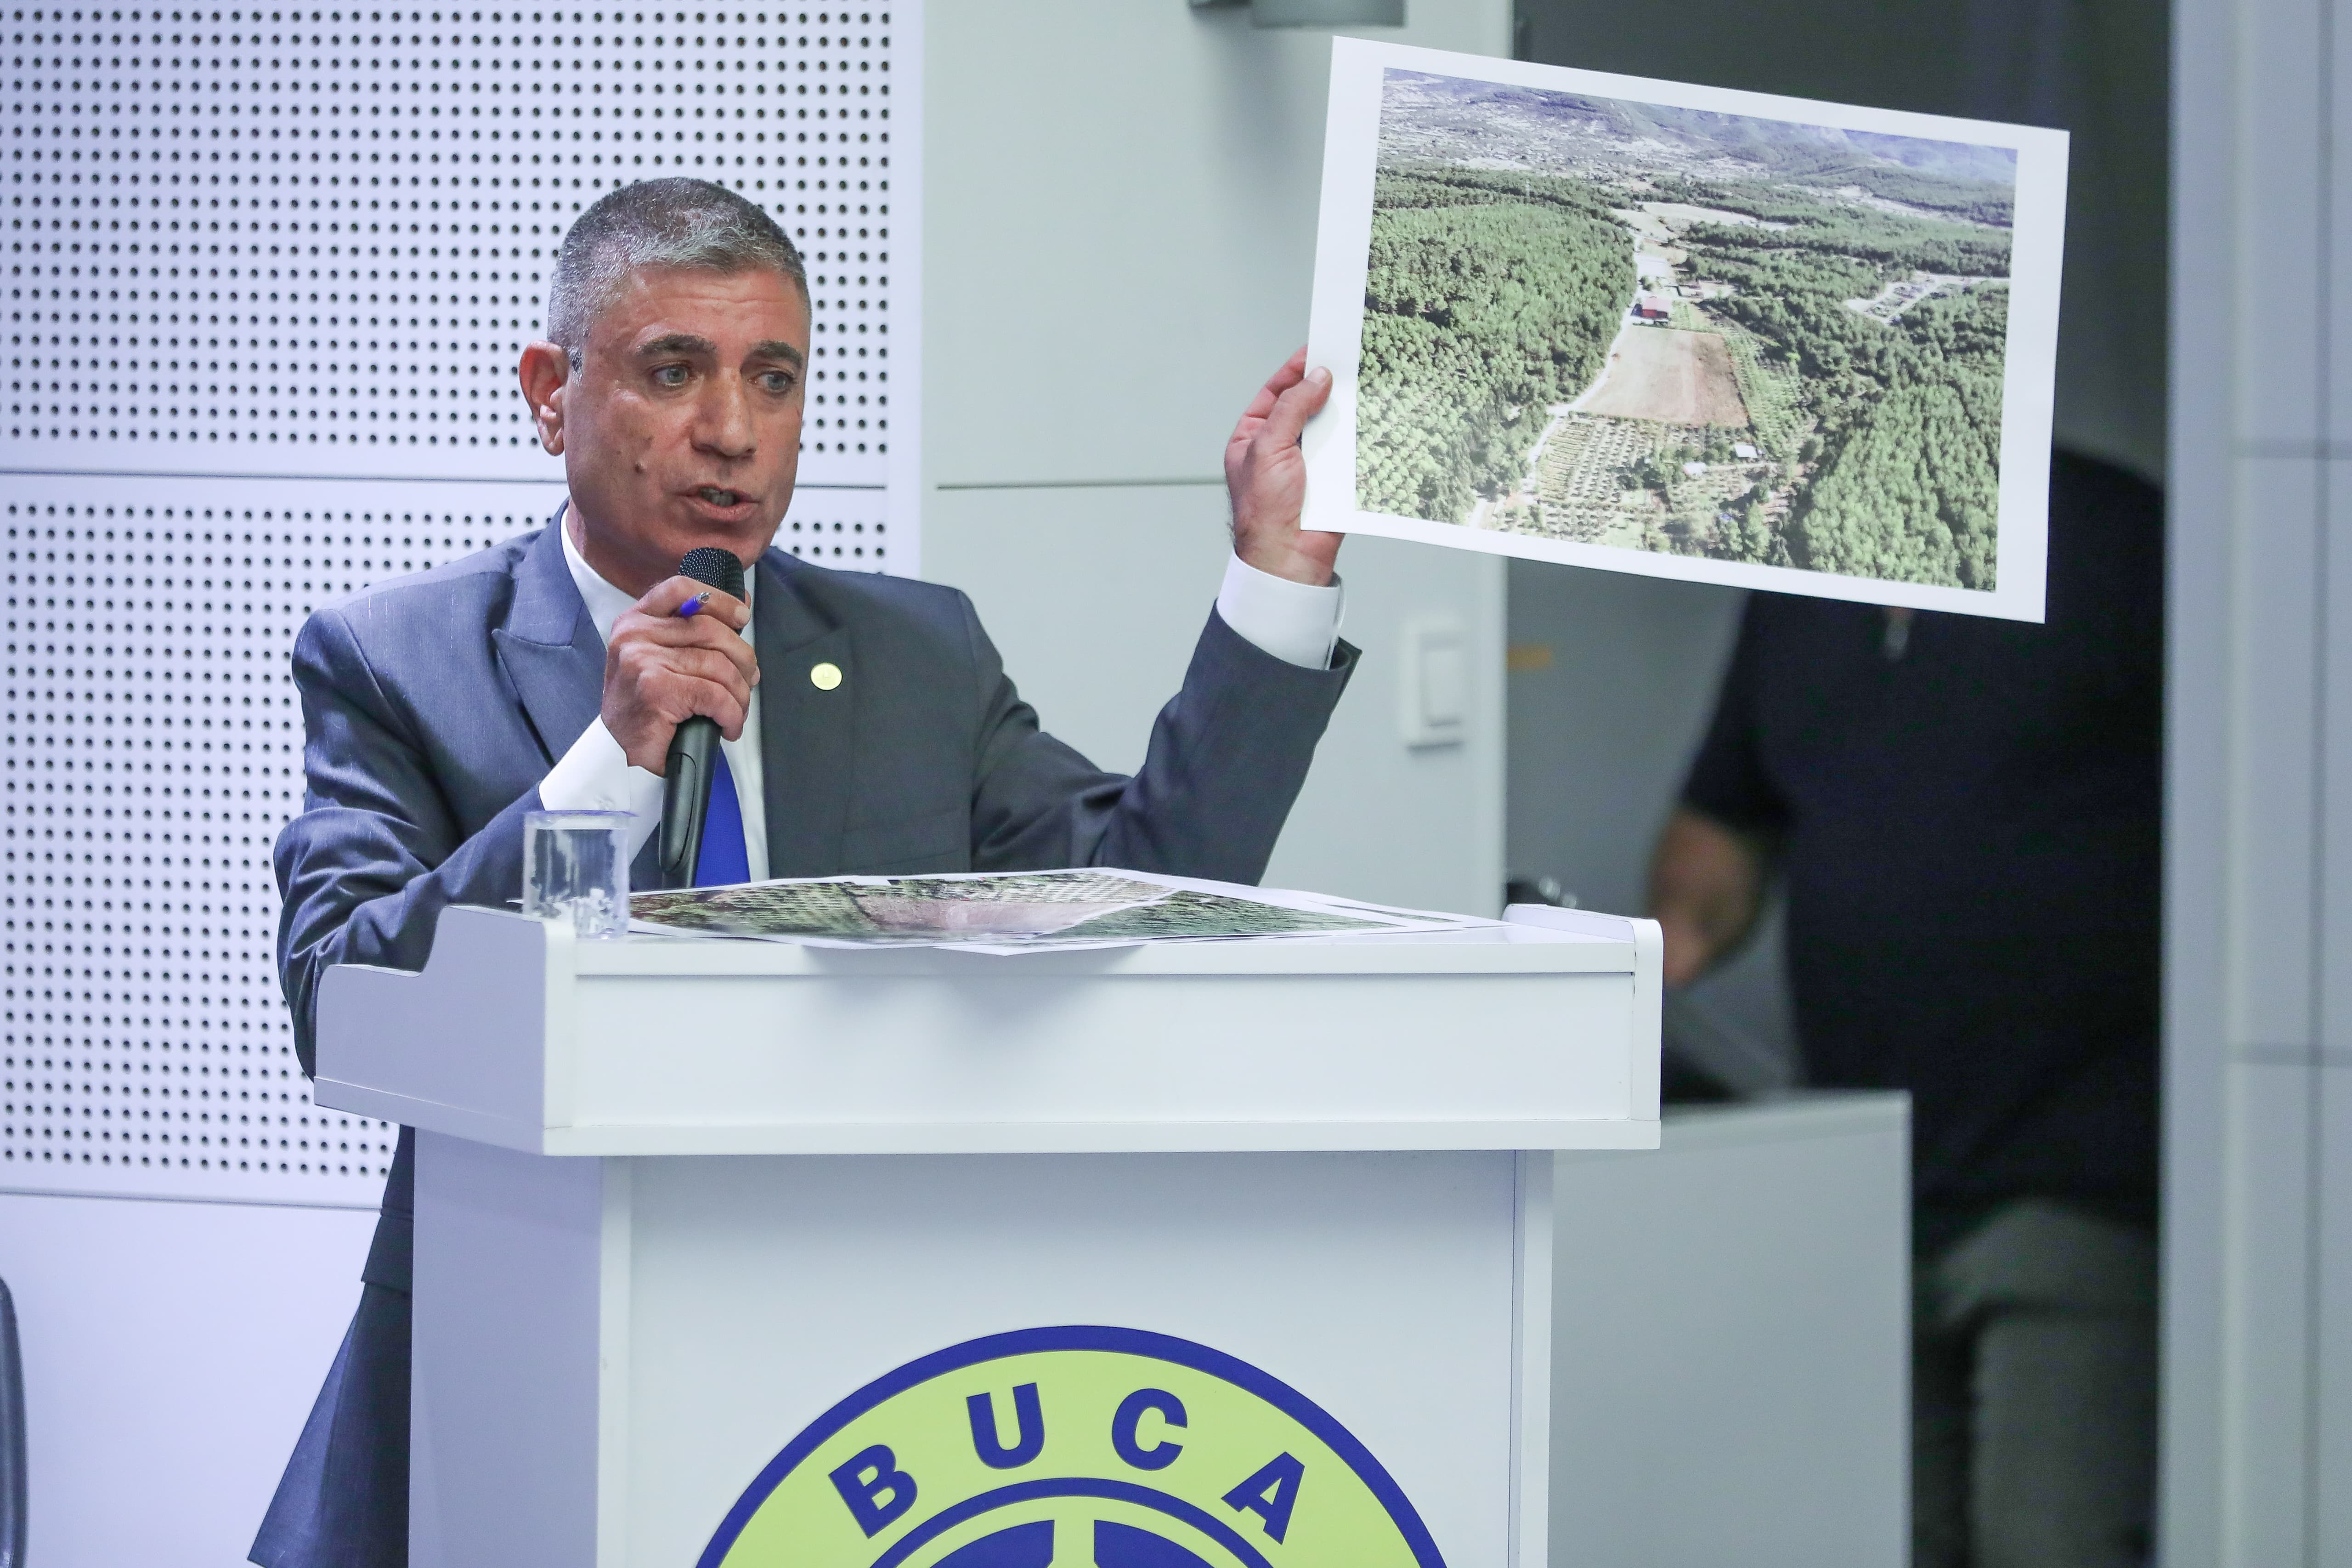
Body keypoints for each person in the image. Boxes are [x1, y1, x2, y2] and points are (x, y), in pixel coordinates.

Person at [249, 178, 1355, 1568]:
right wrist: (606, 765)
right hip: (518, 1383)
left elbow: (1149, 884)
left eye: (774, 378)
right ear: (549, 392)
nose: (733, 430)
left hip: (862, 1389)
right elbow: (343, 1003)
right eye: (674, 372)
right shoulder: (395, 657)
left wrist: (1274, 576)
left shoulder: (917, 653)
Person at [1646, 451, 2162, 1568]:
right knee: (1883, 1541)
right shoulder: (1803, 565)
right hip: (1866, 1175)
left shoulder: (2123, 541)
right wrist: (1642, 972)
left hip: (2074, 1179)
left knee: (2049, 1542)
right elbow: (1725, 825)